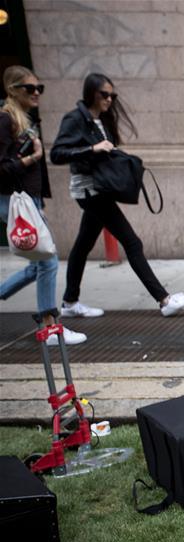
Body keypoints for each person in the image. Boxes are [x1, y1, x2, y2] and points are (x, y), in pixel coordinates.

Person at [50, 73, 184, 317]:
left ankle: (70, 302)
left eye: (112, 95)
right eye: (104, 94)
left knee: (82, 245)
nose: (109, 99)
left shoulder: (99, 121)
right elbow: (57, 153)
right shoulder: (75, 119)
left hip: (98, 189)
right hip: (90, 190)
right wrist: (92, 148)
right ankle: (164, 299)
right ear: (91, 94)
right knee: (132, 242)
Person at [0, 66, 85, 346]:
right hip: (15, 201)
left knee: (39, 264)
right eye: (29, 88)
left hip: (28, 200)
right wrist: (31, 158)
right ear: (13, 90)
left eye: (40, 88)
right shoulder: (4, 120)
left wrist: (40, 203)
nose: (36, 93)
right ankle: (50, 328)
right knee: (47, 261)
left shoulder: (23, 119)